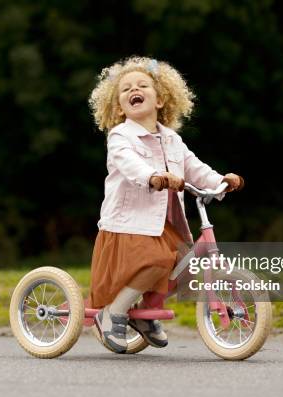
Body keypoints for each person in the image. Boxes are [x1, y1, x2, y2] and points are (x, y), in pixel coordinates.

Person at [87, 56, 244, 353]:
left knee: (186, 265)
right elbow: (130, 165)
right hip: (129, 224)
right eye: (126, 89)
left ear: (160, 100)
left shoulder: (172, 139)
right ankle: (113, 313)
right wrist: (154, 177)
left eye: (143, 85)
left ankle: (145, 313)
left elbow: (195, 168)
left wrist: (221, 180)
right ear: (119, 106)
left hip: (160, 226)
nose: (135, 89)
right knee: (157, 261)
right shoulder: (121, 136)